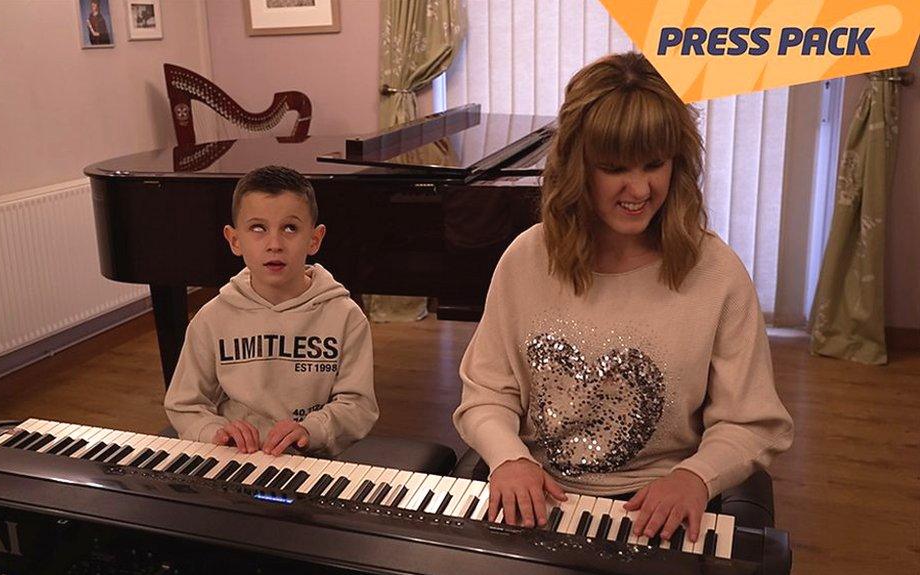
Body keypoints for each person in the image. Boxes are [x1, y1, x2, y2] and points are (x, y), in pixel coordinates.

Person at [452, 53, 793, 544]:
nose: (640, 188)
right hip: (540, 498)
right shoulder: (525, 259)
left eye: (655, 164)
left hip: (660, 507)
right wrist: (510, 457)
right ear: (577, 167)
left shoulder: (717, 273)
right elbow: (485, 393)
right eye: (615, 168)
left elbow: (752, 422)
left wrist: (695, 477)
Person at [165, 165, 379, 457]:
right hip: (235, 457)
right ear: (234, 240)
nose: (274, 245)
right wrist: (214, 430)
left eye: (290, 228)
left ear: (314, 239)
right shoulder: (211, 318)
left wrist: (311, 429)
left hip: (312, 460)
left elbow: (358, 405)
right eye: (258, 228)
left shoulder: (346, 317)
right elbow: (184, 404)